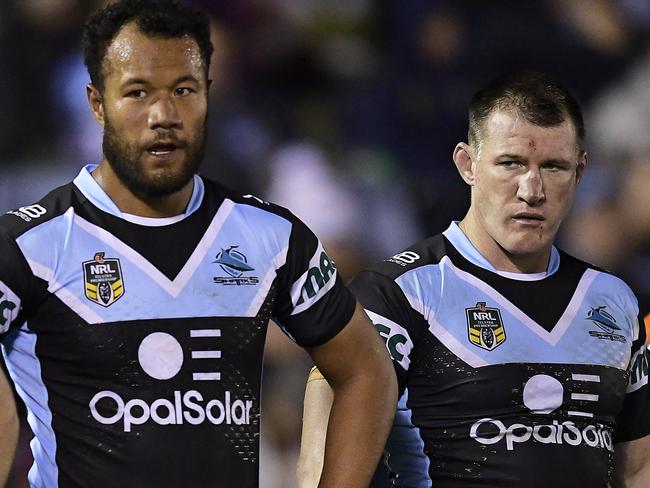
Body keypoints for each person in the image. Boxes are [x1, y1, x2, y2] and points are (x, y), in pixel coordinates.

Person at [0, 1, 397, 487]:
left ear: (209, 94)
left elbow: (366, 371)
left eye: (183, 91)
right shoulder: (27, 247)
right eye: (138, 92)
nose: (163, 115)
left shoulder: (270, 236)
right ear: (97, 104)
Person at [298, 72, 650, 488]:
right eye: (510, 163)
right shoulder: (400, 294)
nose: (531, 190)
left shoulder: (613, 301)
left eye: (553, 167)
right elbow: (323, 460)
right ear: (468, 164)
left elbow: (637, 468)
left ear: (580, 172)